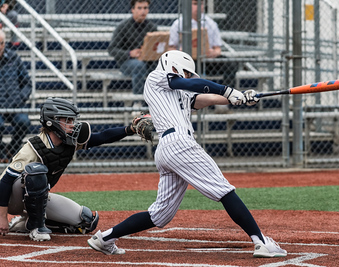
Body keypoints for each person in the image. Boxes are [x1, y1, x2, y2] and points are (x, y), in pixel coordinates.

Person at [87, 50, 287, 258]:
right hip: (178, 143)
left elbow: (202, 99)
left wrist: (239, 98)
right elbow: (191, 85)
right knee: (224, 190)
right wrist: (229, 90)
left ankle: (105, 238)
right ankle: (260, 240)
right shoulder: (156, 77)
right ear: (173, 67)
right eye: (186, 73)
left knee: (160, 215)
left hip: (169, 149)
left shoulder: (178, 91)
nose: (189, 77)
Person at [0, 97, 145, 241]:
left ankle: (25, 223)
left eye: (72, 120)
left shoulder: (69, 141)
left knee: (86, 221)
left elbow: (102, 137)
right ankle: (36, 226)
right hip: (12, 198)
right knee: (36, 171)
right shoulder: (33, 148)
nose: (72, 125)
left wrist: (130, 129)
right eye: (67, 121)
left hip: (37, 196)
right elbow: (5, 182)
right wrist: (2, 217)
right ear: (52, 121)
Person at [168, 0, 237, 113]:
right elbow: (170, 48)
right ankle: (184, 104)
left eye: (201, 4)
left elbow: (218, 49)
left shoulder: (210, 23)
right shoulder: (179, 23)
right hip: (186, 62)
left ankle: (223, 102)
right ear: (189, 5)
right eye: (195, 4)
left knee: (231, 64)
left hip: (207, 60)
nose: (198, 7)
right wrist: (179, 51)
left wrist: (212, 52)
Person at [108, 0, 158, 111]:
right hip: (127, 62)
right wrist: (130, 53)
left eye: (145, 8)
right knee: (138, 65)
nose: (143, 11)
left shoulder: (152, 27)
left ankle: (159, 102)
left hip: (148, 61)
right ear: (132, 9)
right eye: (139, 8)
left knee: (161, 66)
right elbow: (112, 49)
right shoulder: (123, 27)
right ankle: (138, 102)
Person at [0, 29, 31, 163]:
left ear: (5, 43)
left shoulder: (14, 57)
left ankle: (12, 149)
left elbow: (27, 83)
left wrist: (20, 98)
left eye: (1, 43)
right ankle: (1, 152)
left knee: (24, 122)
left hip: (15, 105)